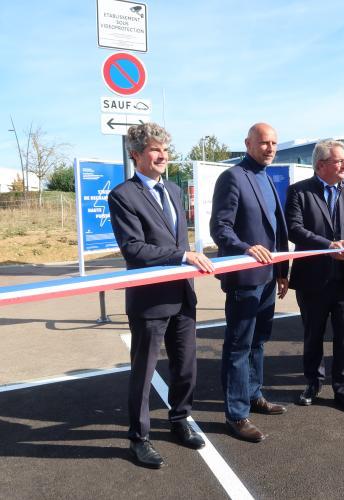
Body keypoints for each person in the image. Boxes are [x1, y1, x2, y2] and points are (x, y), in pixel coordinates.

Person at [108, 122, 215, 469]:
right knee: (144, 373)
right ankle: (139, 438)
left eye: (165, 149)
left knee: (186, 366)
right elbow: (134, 249)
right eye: (155, 150)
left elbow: (177, 237)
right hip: (150, 300)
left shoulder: (173, 188)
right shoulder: (122, 196)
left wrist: (184, 257)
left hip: (183, 295)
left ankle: (180, 419)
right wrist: (182, 256)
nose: (162, 155)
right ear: (136, 155)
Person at [210, 123, 289, 442]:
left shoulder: (267, 178)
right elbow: (221, 227)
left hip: (269, 277)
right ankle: (236, 414)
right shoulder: (233, 177)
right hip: (245, 278)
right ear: (248, 143)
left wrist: (283, 270)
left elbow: (276, 230)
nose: (269, 148)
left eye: (273, 143)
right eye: (263, 143)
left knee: (259, 341)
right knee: (239, 345)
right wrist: (245, 248)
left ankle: (254, 396)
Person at [285, 140, 344, 415]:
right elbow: (294, 230)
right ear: (321, 165)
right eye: (339, 161)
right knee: (313, 335)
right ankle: (313, 383)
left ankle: (343, 388)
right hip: (313, 278)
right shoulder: (299, 191)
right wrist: (327, 246)